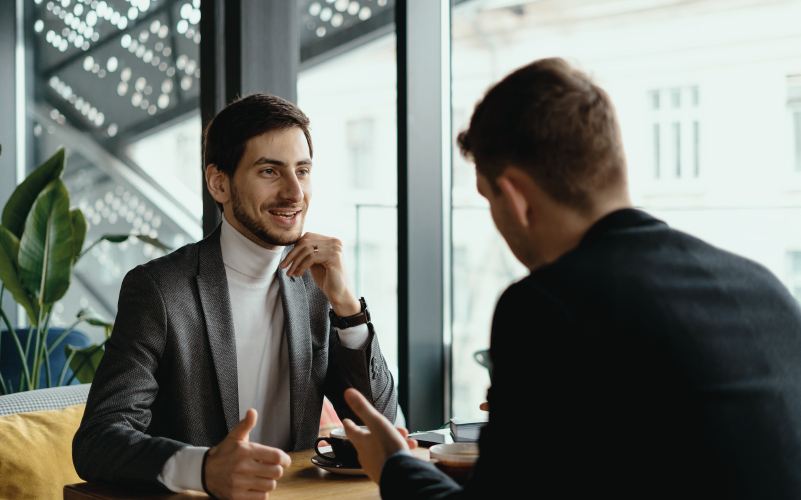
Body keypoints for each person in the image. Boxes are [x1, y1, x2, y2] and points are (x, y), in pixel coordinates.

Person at [341, 57, 801, 499]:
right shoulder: (766, 290)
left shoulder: (546, 304)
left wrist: (394, 465)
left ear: (516, 197)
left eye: (488, 197)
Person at [73, 94, 398, 499]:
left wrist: (348, 309)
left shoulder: (318, 287)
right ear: (219, 183)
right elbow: (98, 442)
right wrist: (204, 469)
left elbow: (380, 427)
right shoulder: (159, 291)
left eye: (302, 170)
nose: (294, 193)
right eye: (269, 171)